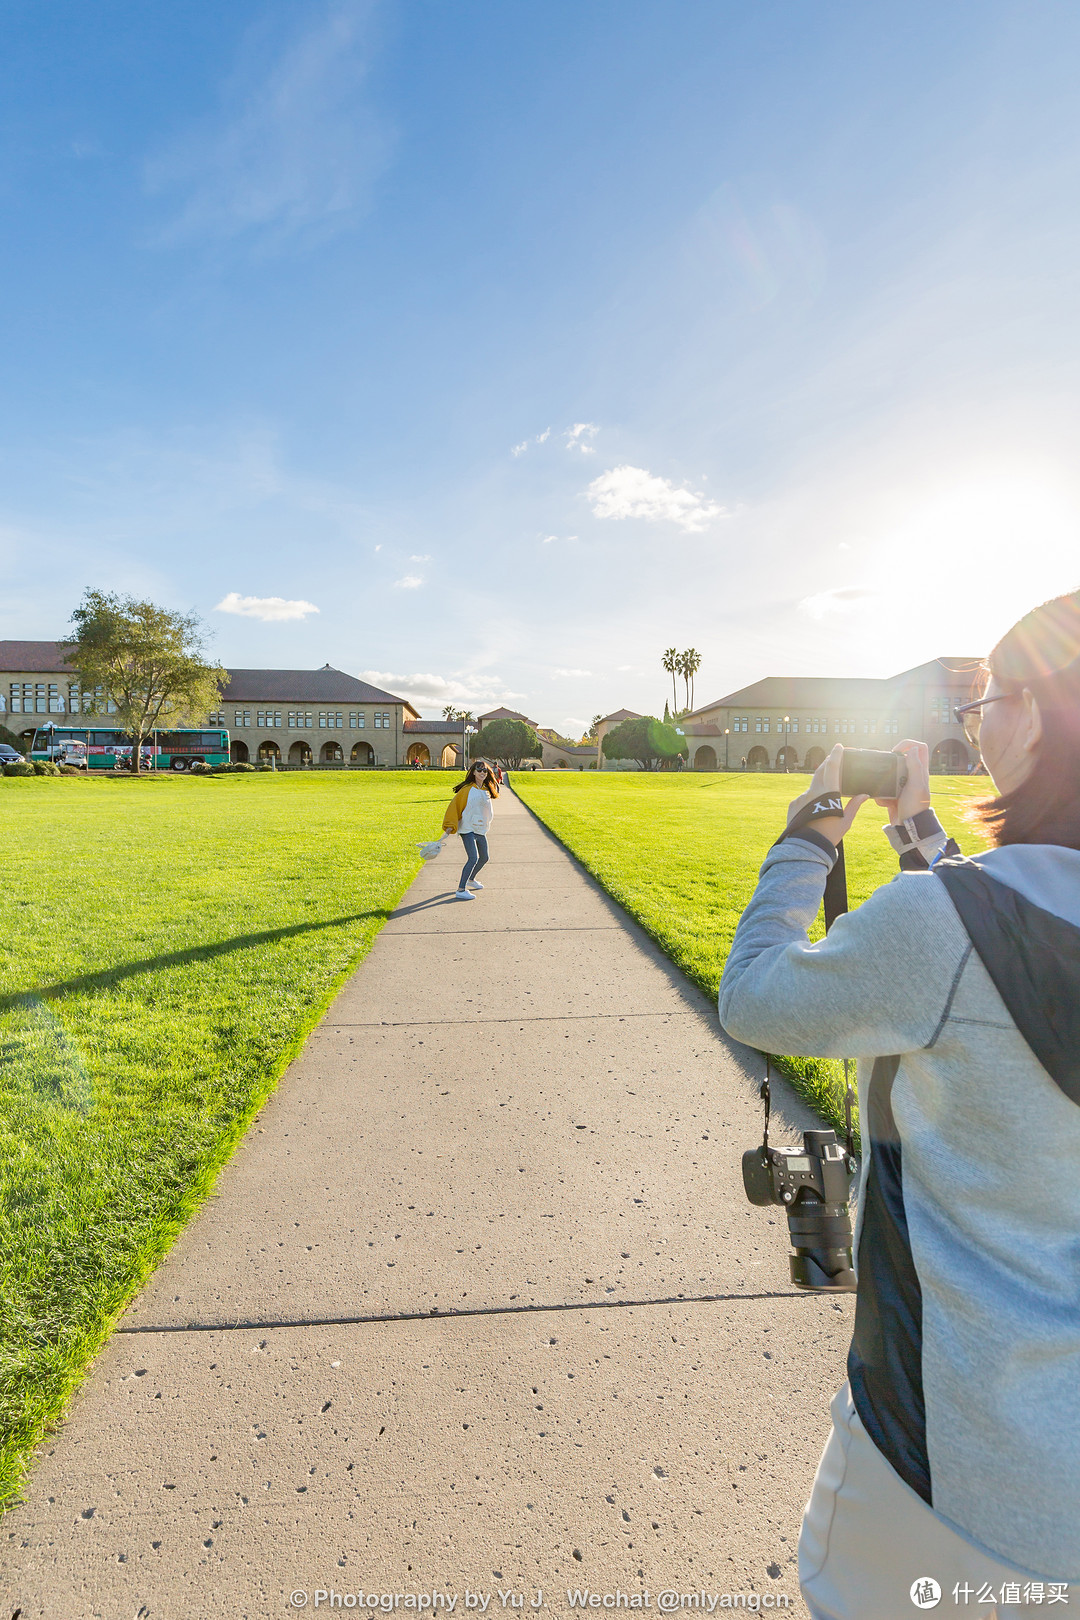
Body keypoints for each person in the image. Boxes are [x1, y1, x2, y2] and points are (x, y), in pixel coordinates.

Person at [718, 591, 1080, 1619]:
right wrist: (919, 829)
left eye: (988, 702)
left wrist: (812, 829)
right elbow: (1013, 950)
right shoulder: (974, 921)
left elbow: (759, 995)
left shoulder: (945, 928)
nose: (979, 726)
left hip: (955, 1453)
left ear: (1044, 716)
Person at [441, 759, 499, 900]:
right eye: (479, 770)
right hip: (467, 829)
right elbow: (454, 808)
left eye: (484, 770)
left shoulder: (486, 790)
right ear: (473, 772)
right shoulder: (466, 790)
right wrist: (449, 827)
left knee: (484, 857)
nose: (482, 773)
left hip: (480, 830)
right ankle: (461, 890)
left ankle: (471, 880)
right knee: (473, 858)